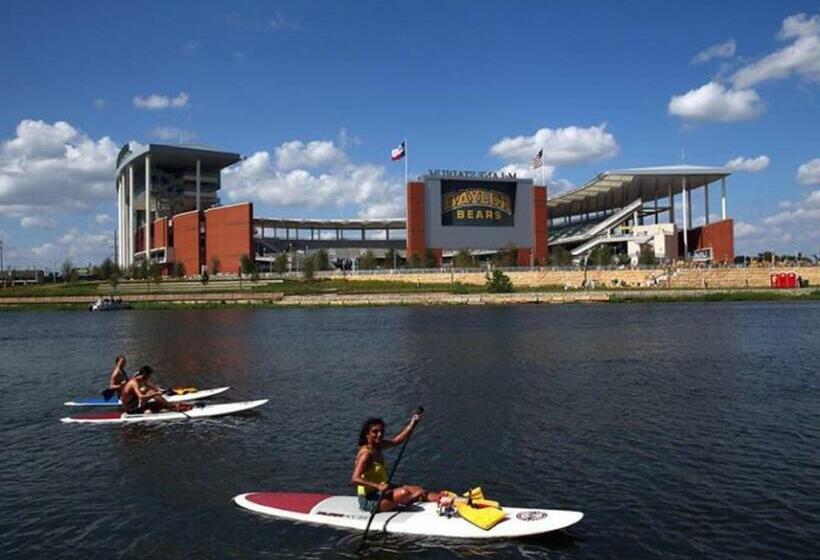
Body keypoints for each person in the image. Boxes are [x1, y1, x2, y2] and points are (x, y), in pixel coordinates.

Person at [351, 412, 442, 512]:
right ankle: (408, 499)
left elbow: (397, 440)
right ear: (367, 434)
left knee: (420, 490)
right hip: (369, 499)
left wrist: (413, 423)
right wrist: (378, 486)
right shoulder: (366, 454)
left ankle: (447, 500)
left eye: (382, 431)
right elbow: (355, 479)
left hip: (383, 491)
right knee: (404, 492)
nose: (379, 434)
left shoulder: (379, 446)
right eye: (375, 431)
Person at [119, 366, 191, 414]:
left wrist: (162, 391)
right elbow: (141, 397)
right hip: (130, 408)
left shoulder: (143, 378)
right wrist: (156, 394)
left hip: (135, 403)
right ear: (145, 374)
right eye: (149, 375)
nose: (150, 376)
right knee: (151, 393)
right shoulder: (134, 382)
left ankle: (171, 406)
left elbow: (153, 387)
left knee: (151, 393)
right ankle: (173, 407)